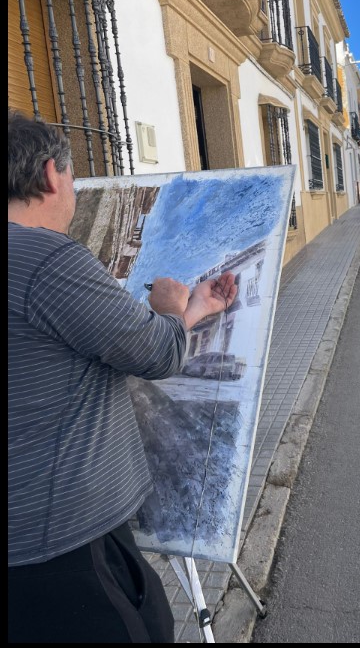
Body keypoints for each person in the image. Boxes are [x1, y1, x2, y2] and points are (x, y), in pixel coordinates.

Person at [8, 110, 238, 643]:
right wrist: (168, 306)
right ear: (50, 174)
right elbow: (158, 353)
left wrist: (194, 309)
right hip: (65, 545)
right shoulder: (45, 259)